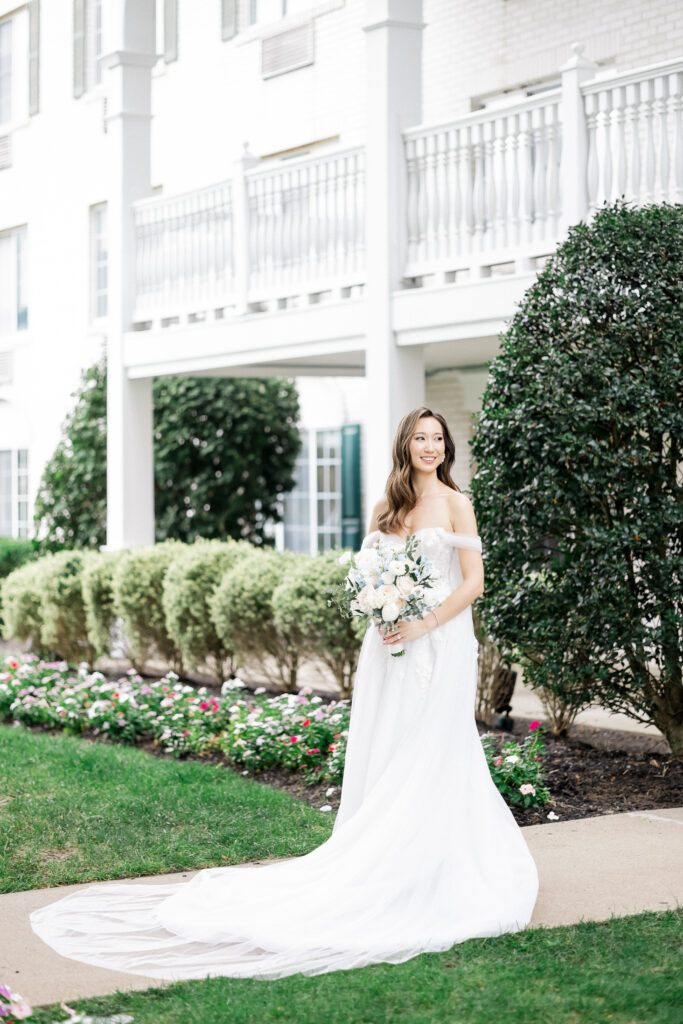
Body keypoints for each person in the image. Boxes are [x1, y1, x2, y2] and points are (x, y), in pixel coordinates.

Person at [30, 406, 539, 981]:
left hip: (439, 645)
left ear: (447, 447)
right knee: (390, 745)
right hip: (388, 646)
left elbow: (472, 582)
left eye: (438, 439)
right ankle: (384, 862)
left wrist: (423, 624)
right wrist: (380, 610)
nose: (430, 447)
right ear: (405, 445)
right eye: (420, 438)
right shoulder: (386, 508)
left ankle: (437, 863)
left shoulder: (455, 502)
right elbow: (370, 575)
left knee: (433, 748)